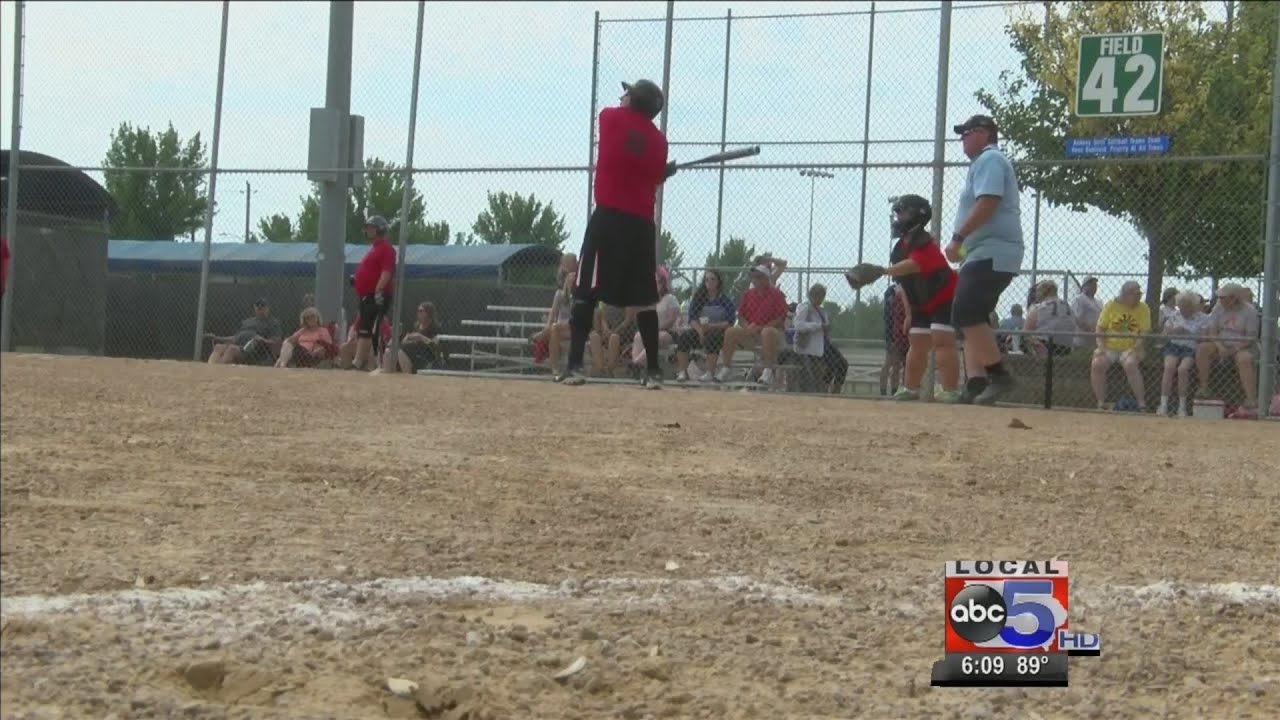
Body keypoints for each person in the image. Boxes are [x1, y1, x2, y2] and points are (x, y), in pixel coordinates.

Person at [558, 79, 675, 389]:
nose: (622, 96)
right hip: (641, 227)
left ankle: (575, 366)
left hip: (608, 219)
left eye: (628, 93)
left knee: (586, 291)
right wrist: (662, 171)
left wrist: (656, 171)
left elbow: (628, 153)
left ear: (634, 99)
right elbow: (650, 173)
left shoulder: (610, 118)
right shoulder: (660, 142)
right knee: (645, 299)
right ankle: (653, 372)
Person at [944, 114, 1024, 405]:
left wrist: (958, 238)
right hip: (982, 251)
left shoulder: (990, 159)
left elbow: (988, 202)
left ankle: (999, 376)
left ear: (983, 133)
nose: (962, 140)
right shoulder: (982, 163)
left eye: (966, 133)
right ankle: (976, 383)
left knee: (966, 312)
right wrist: (964, 250)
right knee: (970, 317)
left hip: (994, 250)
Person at [875, 194, 961, 402]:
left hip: (943, 297)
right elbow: (903, 283)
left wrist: (881, 271)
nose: (898, 217)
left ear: (918, 216)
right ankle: (910, 388)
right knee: (917, 342)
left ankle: (950, 390)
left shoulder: (926, 244)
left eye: (903, 212)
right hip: (920, 302)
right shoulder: (899, 249)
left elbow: (915, 265)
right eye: (897, 212)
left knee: (942, 341)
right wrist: (909, 313)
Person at [351, 215, 396, 372]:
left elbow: (387, 271)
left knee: (375, 328)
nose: (368, 231)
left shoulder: (386, 248)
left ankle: (379, 364)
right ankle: (357, 362)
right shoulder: (374, 249)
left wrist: (378, 290)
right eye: (367, 228)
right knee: (364, 328)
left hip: (377, 295)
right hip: (367, 296)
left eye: (372, 228)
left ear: (380, 229)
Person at [792, 284, 849, 393]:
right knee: (831, 364)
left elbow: (824, 328)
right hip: (810, 344)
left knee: (843, 364)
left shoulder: (821, 311)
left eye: (821, 296)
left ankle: (835, 389)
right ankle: (823, 389)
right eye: (816, 296)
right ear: (810, 295)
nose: (819, 299)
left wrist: (827, 328)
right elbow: (798, 325)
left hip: (824, 342)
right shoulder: (805, 308)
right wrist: (819, 326)